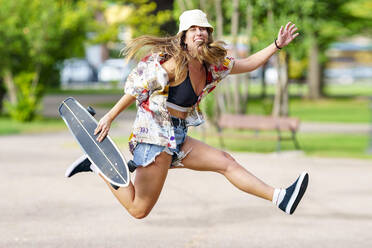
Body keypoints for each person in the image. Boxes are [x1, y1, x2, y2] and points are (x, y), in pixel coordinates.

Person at [66, 9, 308, 219]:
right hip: (156, 138)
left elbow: (249, 63)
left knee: (225, 162)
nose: (200, 32)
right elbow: (136, 88)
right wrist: (109, 117)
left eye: (204, 28)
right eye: (193, 29)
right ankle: (98, 166)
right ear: (183, 36)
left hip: (178, 137)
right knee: (139, 209)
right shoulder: (173, 64)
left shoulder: (212, 65)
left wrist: (276, 45)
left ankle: (280, 198)